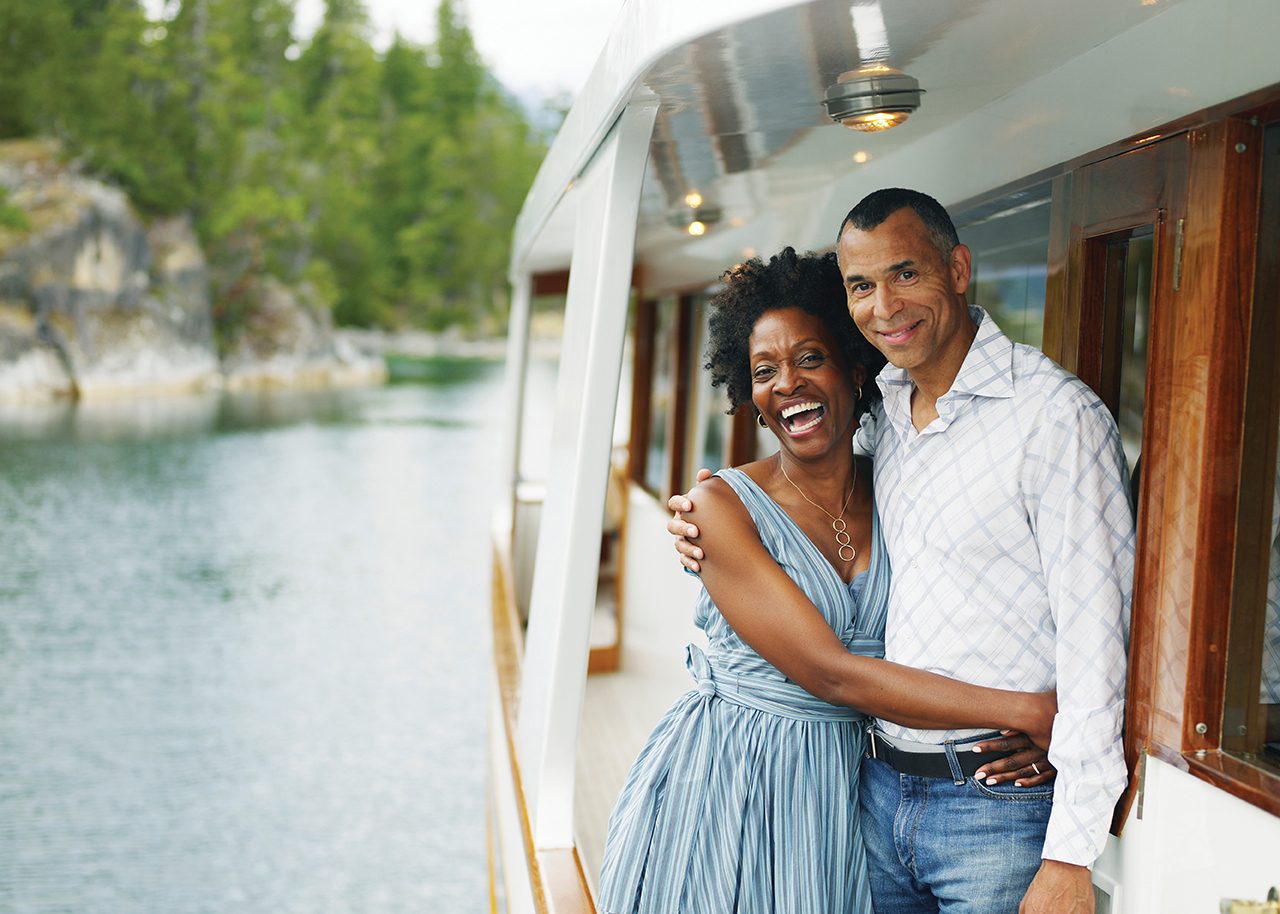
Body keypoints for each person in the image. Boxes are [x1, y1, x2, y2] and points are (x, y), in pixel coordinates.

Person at [669, 190, 1134, 914]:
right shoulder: (888, 420)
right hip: (873, 796)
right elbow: (806, 477)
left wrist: (1072, 854)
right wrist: (710, 508)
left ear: (957, 268)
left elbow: (1101, 645)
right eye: (861, 286)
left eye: (905, 274)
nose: (884, 305)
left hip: (995, 808)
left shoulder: (1056, 421)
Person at [598, 247, 1059, 914]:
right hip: (735, 778)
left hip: (846, 789)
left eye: (809, 358)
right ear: (749, 395)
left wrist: (1046, 737)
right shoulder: (717, 510)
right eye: (764, 371)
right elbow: (831, 672)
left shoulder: (899, 485)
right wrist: (1033, 713)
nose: (786, 383)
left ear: (852, 363)